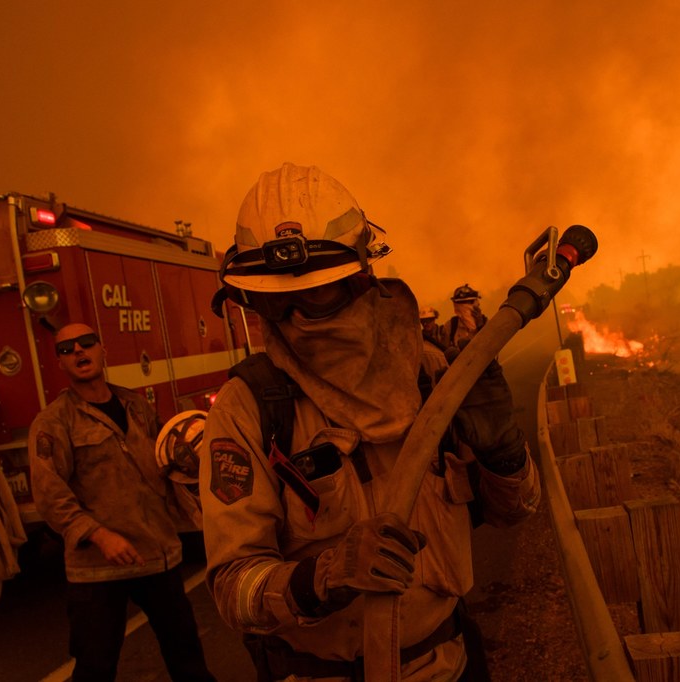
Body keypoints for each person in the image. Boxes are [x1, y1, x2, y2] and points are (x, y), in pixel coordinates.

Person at [201, 162, 539, 681]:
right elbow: (233, 591)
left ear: (361, 278)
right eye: (274, 299)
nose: (295, 317)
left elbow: (515, 513)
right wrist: (320, 578)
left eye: (315, 294)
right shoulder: (248, 408)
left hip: (447, 665)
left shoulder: (431, 374)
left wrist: (505, 454)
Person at [28, 323, 215, 682]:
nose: (79, 352)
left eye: (86, 344)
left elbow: (167, 466)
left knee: (188, 658)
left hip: (157, 554)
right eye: (68, 350)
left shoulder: (135, 405)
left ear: (103, 350)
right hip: (97, 568)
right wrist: (99, 536)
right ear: (60, 364)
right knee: (95, 666)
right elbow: (50, 494)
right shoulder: (53, 422)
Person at [445, 284, 488, 349]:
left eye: (469, 302)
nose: (463, 308)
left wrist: (481, 327)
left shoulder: (485, 323)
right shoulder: (451, 325)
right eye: (461, 303)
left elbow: (491, 346)